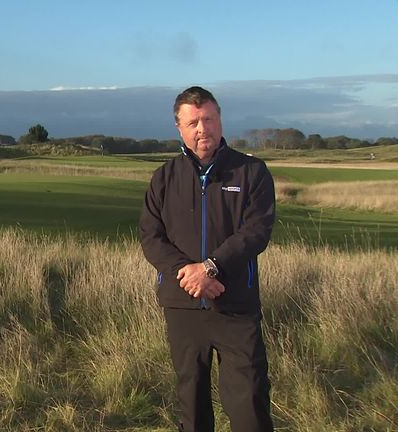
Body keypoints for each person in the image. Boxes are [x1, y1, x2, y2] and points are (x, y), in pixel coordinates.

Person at [139, 86, 275, 431]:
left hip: (235, 307)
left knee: (249, 404)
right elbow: (152, 238)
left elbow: (256, 231)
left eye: (209, 119)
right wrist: (187, 272)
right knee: (192, 405)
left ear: (220, 120)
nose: (203, 129)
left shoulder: (251, 172)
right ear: (179, 129)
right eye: (194, 122)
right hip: (183, 306)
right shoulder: (163, 179)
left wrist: (211, 267)